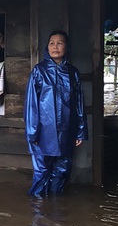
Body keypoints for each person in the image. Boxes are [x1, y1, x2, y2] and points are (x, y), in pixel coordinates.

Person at [24, 30, 88, 197]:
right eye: (52, 43)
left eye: (60, 43)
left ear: (66, 47)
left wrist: (80, 130)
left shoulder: (73, 73)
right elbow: (31, 105)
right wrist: (32, 133)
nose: (55, 47)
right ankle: (38, 210)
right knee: (41, 171)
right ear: (47, 46)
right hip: (44, 131)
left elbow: (79, 103)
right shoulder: (39, 71)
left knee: (61, 171)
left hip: (67, 131)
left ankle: (55, 208)